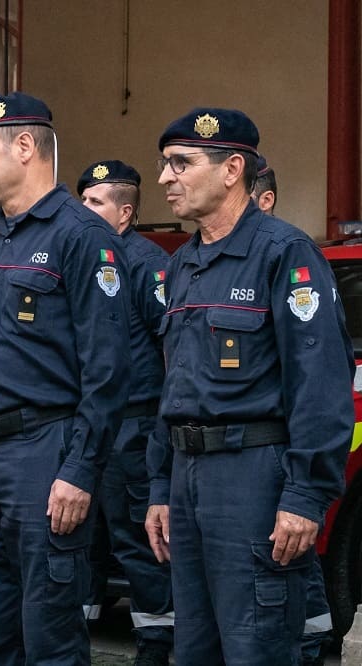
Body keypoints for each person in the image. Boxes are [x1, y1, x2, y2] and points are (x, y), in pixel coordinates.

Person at [144, 108, 354, 665]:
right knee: (194, 648)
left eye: (180, 164)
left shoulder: (285, 253)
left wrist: (306, 496)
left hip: (253, 477)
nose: (165, 178)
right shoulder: (182, 264)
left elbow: (321, 384)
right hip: (188, 480)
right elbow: (173, 388)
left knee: (256, 647)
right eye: (166, 164)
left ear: (232, 168)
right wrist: (160, 488)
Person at [0, 92, 131, 665]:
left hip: (42, 452)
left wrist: (80, 469)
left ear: (24, 146)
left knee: (48, 632)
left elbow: (108, 370)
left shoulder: (81, 236)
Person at [77, 160, 173, 665]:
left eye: (96, 202)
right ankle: (79, 633)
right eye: (84, 201)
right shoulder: (86, 257)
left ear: (126, 211)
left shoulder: (147, 262)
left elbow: (169, 347)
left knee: (133, 538)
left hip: (134, 422)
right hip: (88, 420)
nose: (85, 211)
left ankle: (155, 644)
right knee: (80, 533)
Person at [251, 154, 332, 666]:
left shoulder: (289, 256)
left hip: (272, 456)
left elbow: (315, 374)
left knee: (290, 579)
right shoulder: (200, 261)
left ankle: (312, 644)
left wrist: (303, 489)